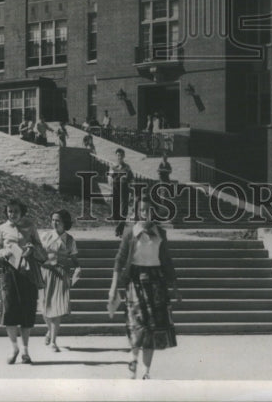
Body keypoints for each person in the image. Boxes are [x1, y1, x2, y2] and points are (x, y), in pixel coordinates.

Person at [108, 196, 181, 379]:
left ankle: (147, 371)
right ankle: (133, 360)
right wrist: (113, 286)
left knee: (153, 327)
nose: (146, 214)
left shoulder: (161, 234)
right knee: (137, 324)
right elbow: (119, 260)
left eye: (149, 210)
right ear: (137, 212)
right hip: (135, 282)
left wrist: (175, 287)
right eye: (142, 210)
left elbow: (166, 262)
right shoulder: (130, 232)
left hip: (156, 283)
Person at [0, 198, 47, 364]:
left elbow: (40, 248)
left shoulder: (30, 226)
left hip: (28, 272)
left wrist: (32, 248)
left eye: (16, 211)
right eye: (9, 211)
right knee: (9, 310)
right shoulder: (1, 229)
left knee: (27, 310)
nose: (12, 214)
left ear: (22, 212)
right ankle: (14, 347)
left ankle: (25, 350)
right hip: (9, 272)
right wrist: (5, 252)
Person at [39, 209, 81, 352]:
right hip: (45, 273)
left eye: (58, 220)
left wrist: (77, 269)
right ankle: (49, 331)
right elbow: (39, 255)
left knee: (56, 308)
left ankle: (53, 342)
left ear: (65, 223)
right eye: (53, 220)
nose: (55, 223)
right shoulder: (45, 236)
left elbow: (75, 260)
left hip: (61, 275)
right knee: (44, 306)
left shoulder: (70, 240)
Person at [110, 148, 134, 238]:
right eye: (118, 155)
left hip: (124, 191)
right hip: (115, 190)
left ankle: (119, 230)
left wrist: (131, 191)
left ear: (123, 156)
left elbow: (131, 179)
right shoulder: (113, 167)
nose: (119, 157)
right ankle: (119, 229)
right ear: (116, 156)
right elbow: (110, 180)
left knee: (123, 211)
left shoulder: (127, 167)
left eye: (121, 155)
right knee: (115, 211)